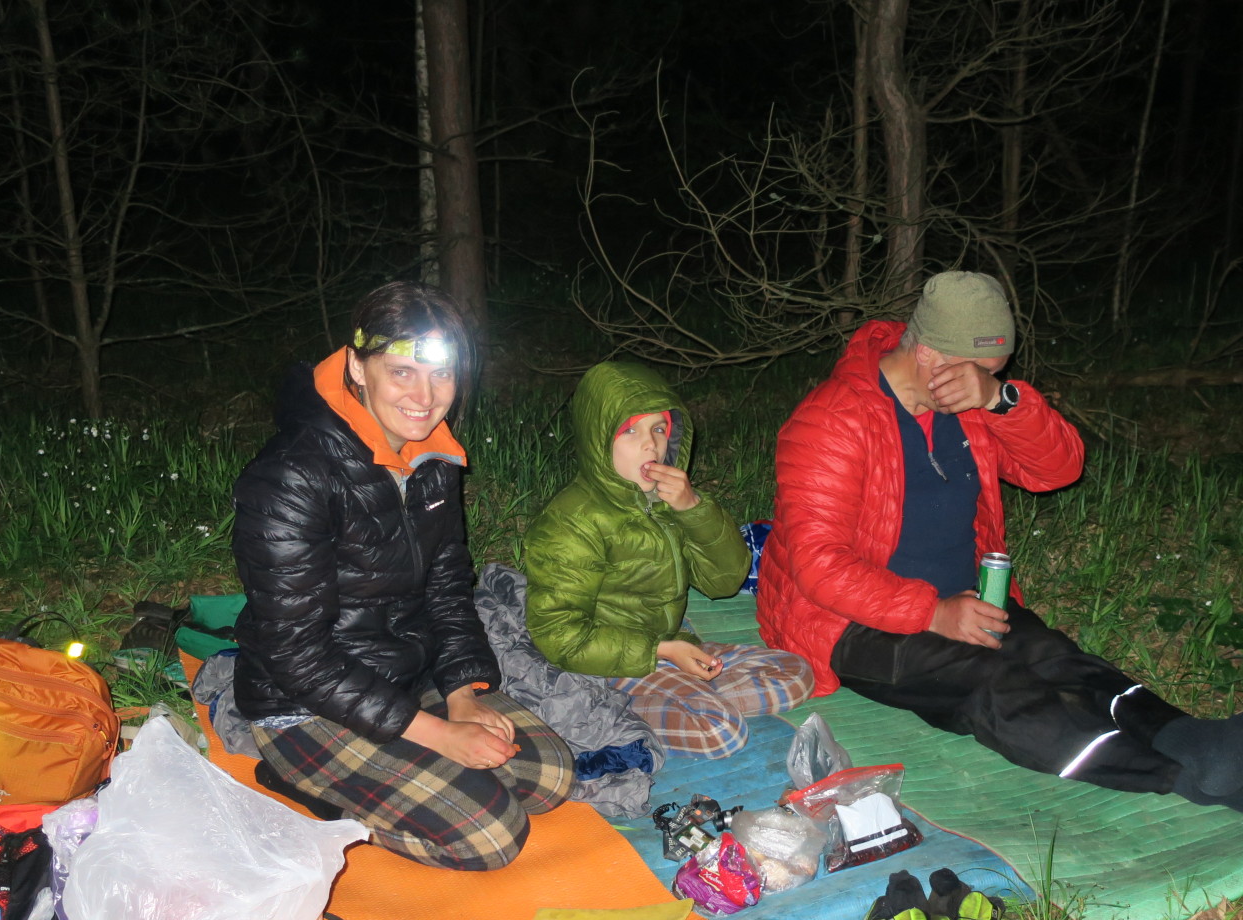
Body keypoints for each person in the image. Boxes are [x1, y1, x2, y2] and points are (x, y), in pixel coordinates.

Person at [757, 271, 1243, 817]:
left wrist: (1001, 400)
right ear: (929, 354)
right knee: (992, 686)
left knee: (1060, 660)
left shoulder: (969, 401)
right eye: (985, 370)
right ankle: (1192, 781)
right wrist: (933, 613)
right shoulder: (832, 420)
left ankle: (1200, 743)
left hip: (964, 597)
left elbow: (1057, 469)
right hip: (850, 622)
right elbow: (818, 565)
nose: (990, 380)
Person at [231, 282, 573, 870]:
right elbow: (296, 655)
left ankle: (406, 769)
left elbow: (447, 585)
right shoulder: (290, 477)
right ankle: (304, 786)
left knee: (550, 775)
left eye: (442, 375)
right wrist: (438, 735)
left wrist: (461, 694)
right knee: (491, 835)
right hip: (304, 701)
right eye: (401, 372)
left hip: (404, 677)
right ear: (356, 367)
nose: (425, 396)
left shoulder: (434, 459)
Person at [523, 361, 814, 758]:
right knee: (720, 733)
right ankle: (629, 707)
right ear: (598, 441)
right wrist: (662, 650)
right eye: (631, 431)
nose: (651, 445)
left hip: (671, 647)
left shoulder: (667, 501)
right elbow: (560, 634)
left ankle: (683, 697)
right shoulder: (571, 521)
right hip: (606, 664)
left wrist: (694, 509)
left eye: (659, 429)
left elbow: (724, 580)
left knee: (796, 674)